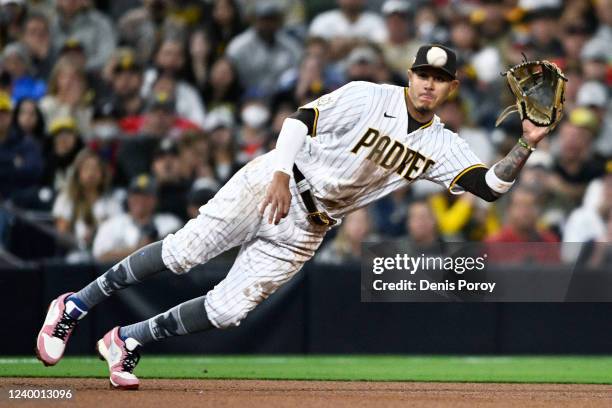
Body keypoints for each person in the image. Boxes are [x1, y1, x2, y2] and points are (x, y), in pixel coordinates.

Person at [36, 44, 553, 389]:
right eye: (423, 73)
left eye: (440, 79)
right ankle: (75, 305)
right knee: (182, 253)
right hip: (275, 182)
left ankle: (126, 340)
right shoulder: (367, 95)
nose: (428, 85)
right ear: (410, 74)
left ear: (451, 87)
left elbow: (486, 188)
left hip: (311, 225)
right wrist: (281, 173)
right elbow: (298, 120)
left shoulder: (444, 143)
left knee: (227, 310)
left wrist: (525, 146)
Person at [92, 174, 181, 263]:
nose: (140, 200)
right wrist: (137, 250)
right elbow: (99, 255)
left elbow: (180, 252)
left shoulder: (170, 223)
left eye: (146, 196)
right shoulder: (112, 224)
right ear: (128, 198)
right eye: (136, 195)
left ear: (155, 200)